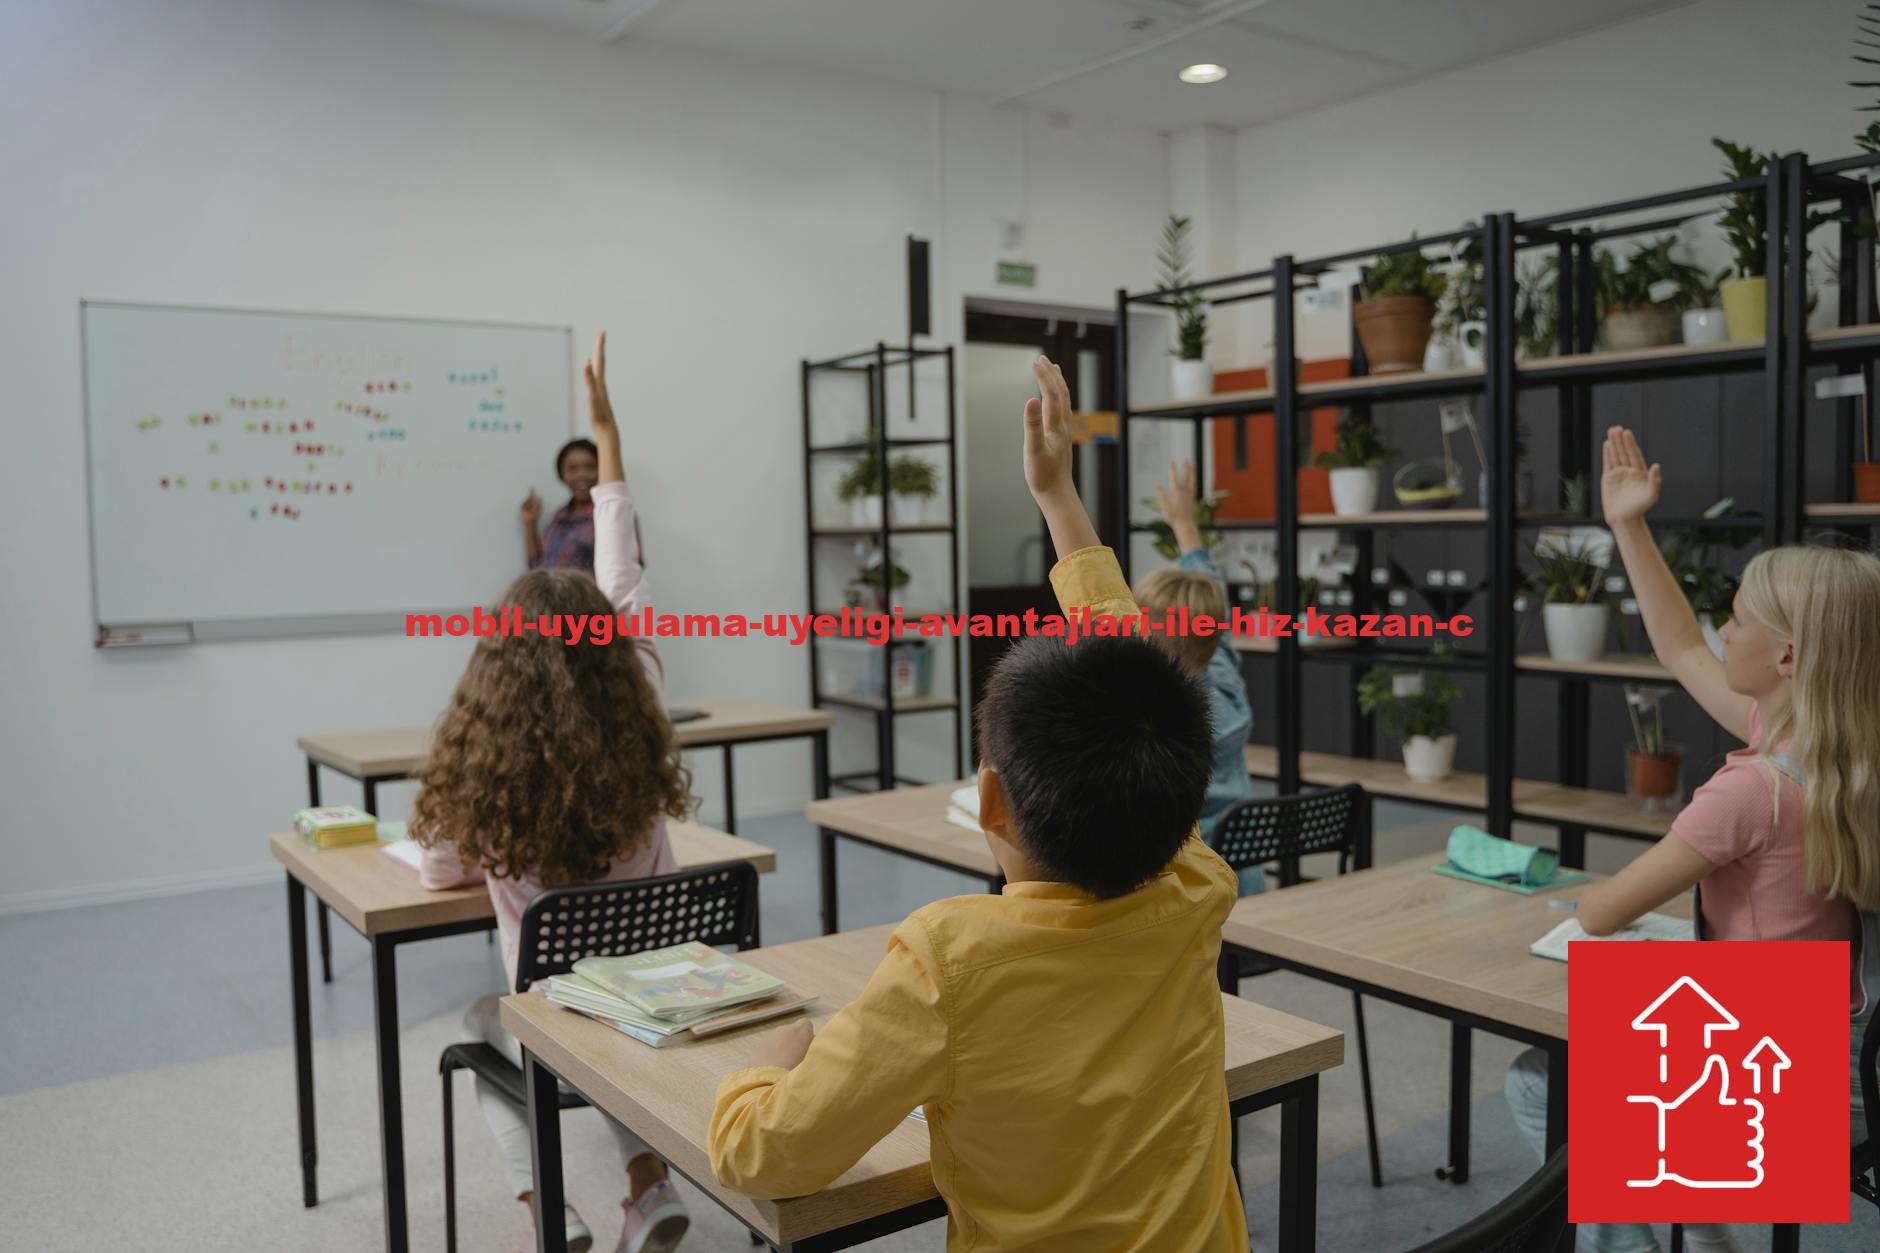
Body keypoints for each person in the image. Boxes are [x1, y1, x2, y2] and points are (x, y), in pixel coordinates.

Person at [705, 356, 1249, 1251]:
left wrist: (759, 1072)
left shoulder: (945, 961)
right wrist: (1059, 500)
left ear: (989, 799)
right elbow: (1132, 674)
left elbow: (764, 1154)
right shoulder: (1193, 883)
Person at [1503, 426, 1880, 1253]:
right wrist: (1629, 525)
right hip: (1848, 1052)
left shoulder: (1752, 789)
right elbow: (1677, 645)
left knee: (1544, 1085)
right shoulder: (1838, 751)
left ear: (1786, 655)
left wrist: (1588, 900)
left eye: (1737, 617)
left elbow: (1602, 911)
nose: (1722, 629)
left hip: (1781, 1068)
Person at [415, 332, 695, 1253]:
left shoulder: (485, 776)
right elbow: (622, 570)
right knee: (605, 1013)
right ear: (614, 651)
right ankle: (648, 1186)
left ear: (498, 666)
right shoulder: (642, 688)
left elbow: (439, 870)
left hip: (562, 1007)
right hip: (655, 990)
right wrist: (610, 433)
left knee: (488, 1022)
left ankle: (550, 1215)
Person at [1136, 458, 1262, 896]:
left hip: (1188, 898)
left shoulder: (1163, 725)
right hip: (1244, 882)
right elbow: (1212, 597)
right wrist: (1184, 523)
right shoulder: (1221, 673)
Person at [522, 437, 600, 576]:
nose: (581, 475)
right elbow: (537, 567)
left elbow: (627, 571)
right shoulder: (559, 517)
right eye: (572, 469)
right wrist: (530, 523)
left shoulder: (611, 515)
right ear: (562, 474)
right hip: (553, 597)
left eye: (590, 467)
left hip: (592, 598)